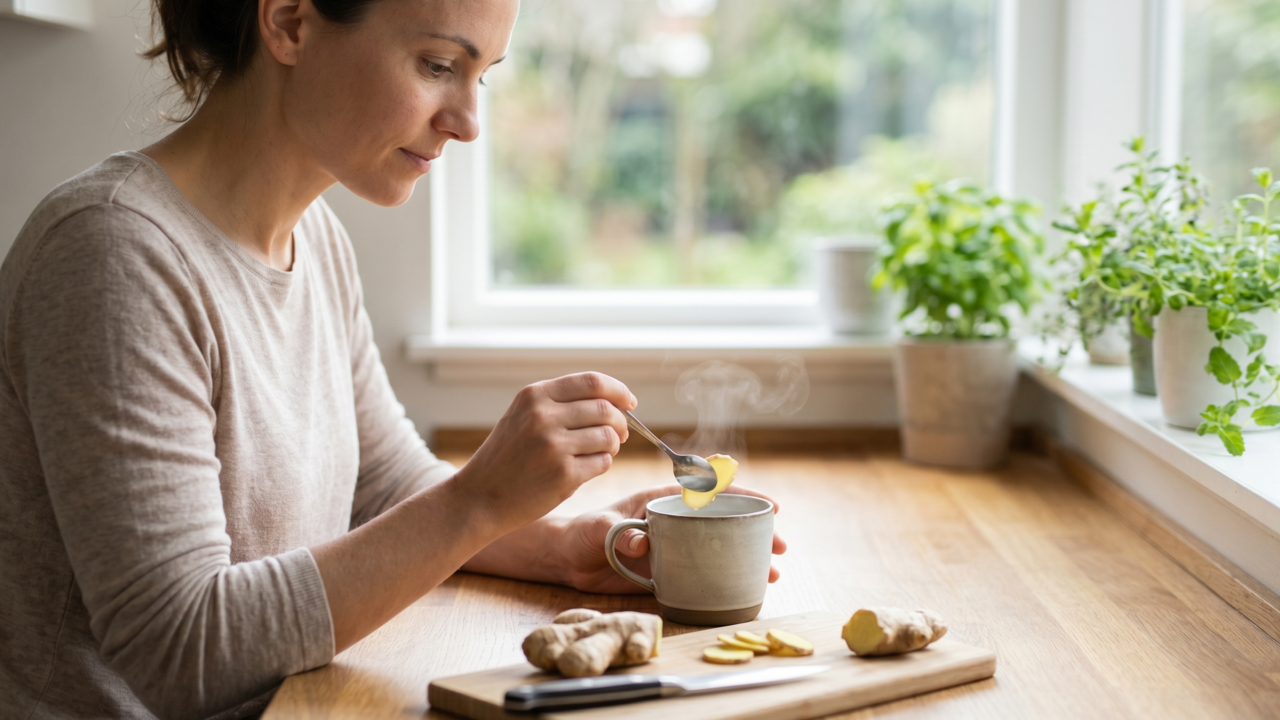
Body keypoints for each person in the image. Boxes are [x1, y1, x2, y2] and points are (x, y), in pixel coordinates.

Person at [0, 1, 787, 718]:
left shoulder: (314, 240)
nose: (470, 122)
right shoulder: (114, 256)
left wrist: (564, 547)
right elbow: (182, 653)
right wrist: (479, 499)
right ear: (290, 23)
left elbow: (383, 488)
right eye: (440, 66)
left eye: (482, 75)